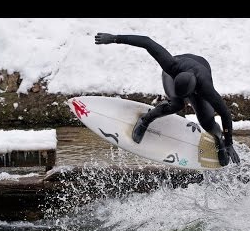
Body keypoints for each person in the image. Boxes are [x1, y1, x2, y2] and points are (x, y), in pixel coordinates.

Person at [94, 33, 240, 166]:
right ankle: (145, 120)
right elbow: (147, 42)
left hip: (201, 68)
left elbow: (225, 114)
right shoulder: (171, 65)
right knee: (176, 104)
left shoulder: (206, 89)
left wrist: (228, 143)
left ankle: (218, 140)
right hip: (176, 71)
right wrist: (114, 38)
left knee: (207, 121)